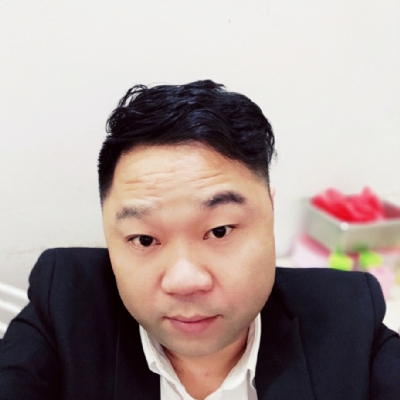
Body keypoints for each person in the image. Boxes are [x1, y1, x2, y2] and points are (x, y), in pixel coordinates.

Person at [0, 80, 399, 400]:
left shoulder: (348, 316)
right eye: (144, 239)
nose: (185, 280)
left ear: (270, 213)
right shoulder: (64, 304)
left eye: (220, 231)